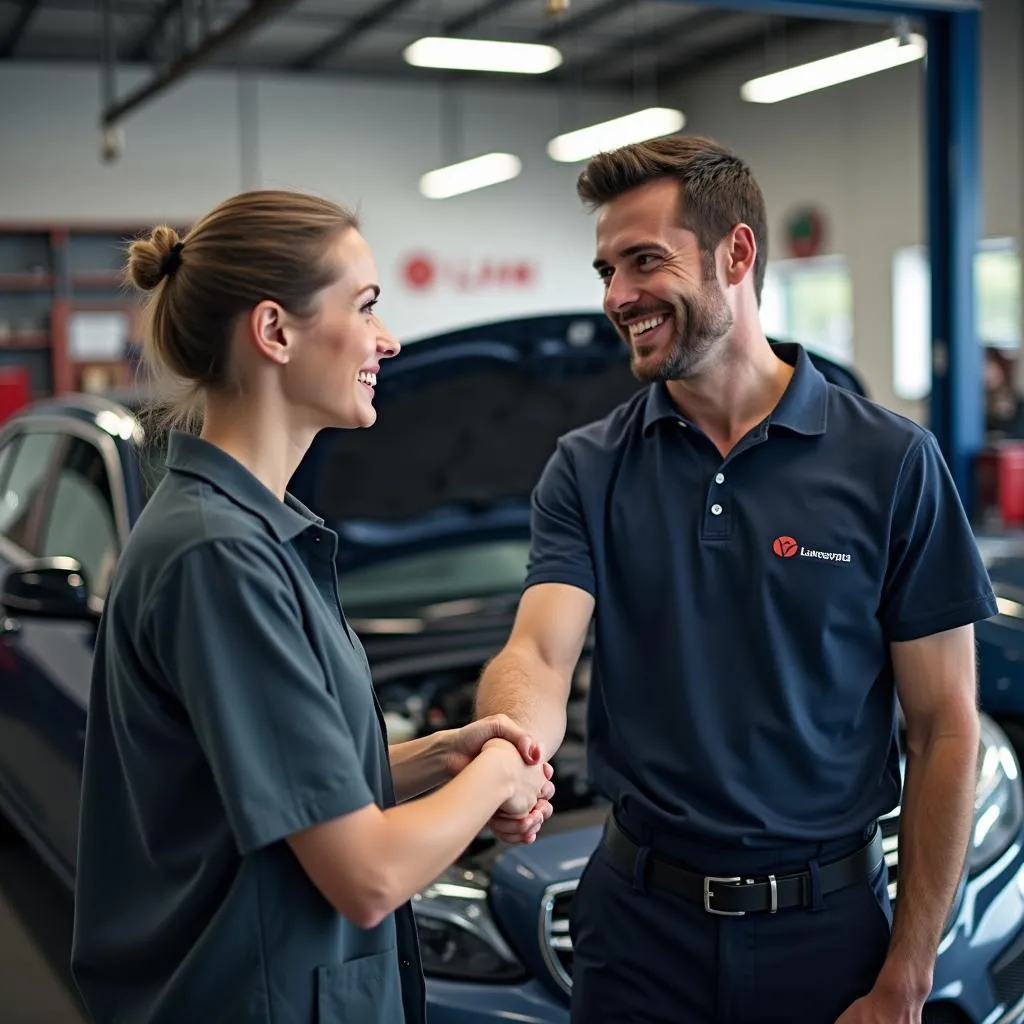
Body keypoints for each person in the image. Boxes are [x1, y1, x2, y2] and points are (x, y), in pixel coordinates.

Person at [475, 136, 997, 1023]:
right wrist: (509, 748)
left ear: (738, 254)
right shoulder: (587, 467)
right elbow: (538, 648)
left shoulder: (891, 462)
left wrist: (906, 976)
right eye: (606, 269)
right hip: (637, 930)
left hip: (826, 933)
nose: (617, 297)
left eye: (645, 261)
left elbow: (946, 729)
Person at [70, 189, 555, 1024]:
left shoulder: (248, 534)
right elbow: (366, 876)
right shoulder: (220, 557)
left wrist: (440, 755)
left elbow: (268, 789)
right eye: (366, 307)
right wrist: (501, 772)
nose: (388, 338)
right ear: (274, 332)